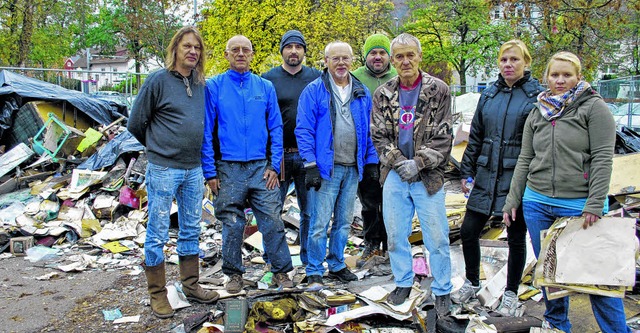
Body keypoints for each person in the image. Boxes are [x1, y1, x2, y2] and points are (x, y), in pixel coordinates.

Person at [503, 51, 631, 332]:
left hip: (579, 205)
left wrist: (595, 203)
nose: (560, 80)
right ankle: (558, 325)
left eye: (567, 75)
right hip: (537, 202)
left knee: (598, 280)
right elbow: (525, 158)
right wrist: (513, 198)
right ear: (546, 77)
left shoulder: (593, 108)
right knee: (551, 277)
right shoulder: (538, 110)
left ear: (578, 77)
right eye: (554, 75)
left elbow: (602, 158)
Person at [128, 26, 219, 319]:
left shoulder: (200, 84)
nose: (193, 52)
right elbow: (136, 123)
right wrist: (158, 147)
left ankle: (190, 285)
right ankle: (157, 294)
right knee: (157, 232)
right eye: (187, 46)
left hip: (193, 169)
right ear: (175, 49)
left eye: (197, 48)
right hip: (164, 167)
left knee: (191, 228)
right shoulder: (158, 81)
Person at [453, 40, 543, 316]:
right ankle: (471, 281)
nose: (508, 64)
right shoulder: (489, 94)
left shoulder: (536, 96)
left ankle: (511, 293)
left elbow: (539, 141)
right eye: (504, 59)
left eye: (514, 59)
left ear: (525, 62)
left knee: (516, 237)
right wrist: (466, 170)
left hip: (516, 175)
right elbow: (476, 135)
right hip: (487, 173)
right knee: (469, 230)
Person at [201, 35, 294, 293]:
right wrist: (210, 170)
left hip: (260, 168)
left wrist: (275, 165)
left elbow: (276, 127)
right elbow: (207, 130)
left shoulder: (264, 87)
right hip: (228, 168)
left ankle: (282, 271)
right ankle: (233, 275)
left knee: (272, 220)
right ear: (226, 54)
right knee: (232, 223)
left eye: (246, 50)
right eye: (235, 50)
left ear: (252, 54)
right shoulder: (215, 86)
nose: (241, 54)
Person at [370, 33, 453, 315]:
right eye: (399, 56)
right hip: (394, 174)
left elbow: (444, 137)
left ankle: (442, 289)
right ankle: (403, 282)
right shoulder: (383, 93)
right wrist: (397, 162)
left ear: (419, 57)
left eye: (410, 55)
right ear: (393, 61)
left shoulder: (438, 90)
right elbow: (378, 135)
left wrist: (417, 163)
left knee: (437, 237)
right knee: (395, 234)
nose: (405, 61)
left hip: (428, 176)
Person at [296, 41, 379, 286]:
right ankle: (313, 268)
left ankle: (337, 264)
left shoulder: (361, 91)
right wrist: (310, 164)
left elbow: (370, 130)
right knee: (319, 222)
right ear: (326, 61)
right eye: (335, 58)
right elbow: (304, 130)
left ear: (352, 60)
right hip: (325, 169)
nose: (341, 63)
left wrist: (371, 160)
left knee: (343, 222)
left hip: (352, 168)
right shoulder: (314, 91)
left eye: (345, 58)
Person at [262, 30, 321, 266]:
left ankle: (309, 260)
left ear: (304, 51)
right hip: (279, 157)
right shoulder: (268, 79)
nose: (294, 51)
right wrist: (268, 159)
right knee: (272, 211)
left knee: (310, 212)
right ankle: (274, 260)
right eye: (289, 47)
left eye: (298, 47)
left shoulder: (316, 78)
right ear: (282, 51)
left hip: (309, 157)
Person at [352, 33, 397, 267]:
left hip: (394, 151)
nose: (378, 57)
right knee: (369, 202)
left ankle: (392, 245)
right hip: (365, 151)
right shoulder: (354, 78)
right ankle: (371, 243)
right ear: (365, 56)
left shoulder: (399, 76)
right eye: (373, 53)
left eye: (382, 52)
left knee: (392, 201)